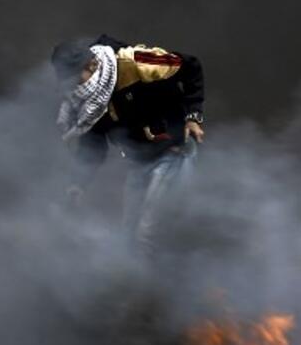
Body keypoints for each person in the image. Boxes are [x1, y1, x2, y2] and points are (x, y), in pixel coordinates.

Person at [52, 35, 204, 251]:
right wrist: (78, 183)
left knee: (149, 231)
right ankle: (138, 279)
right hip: (140, 161)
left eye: (77, 78)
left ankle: (166, 277)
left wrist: (193, 117)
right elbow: (93, 143)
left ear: (92, 64)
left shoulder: (135, 62)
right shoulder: (88, 102)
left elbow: (190, 66)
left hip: (173, 153)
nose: (75, 87)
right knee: (129, 236)